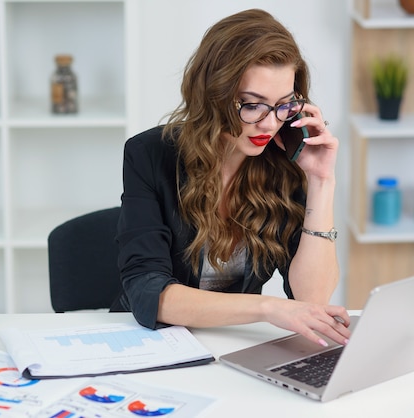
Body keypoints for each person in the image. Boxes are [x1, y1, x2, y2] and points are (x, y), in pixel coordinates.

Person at [111, 8, 351, 347]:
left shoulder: (288, 162)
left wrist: (321, 181)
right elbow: (149, 292)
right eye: (251, 105)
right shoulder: (150, 154)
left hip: (231, 341)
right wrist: (267, 308)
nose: (269, 124)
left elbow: (312, 298)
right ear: (213, 95)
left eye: (284, 105)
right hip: (155, 343)